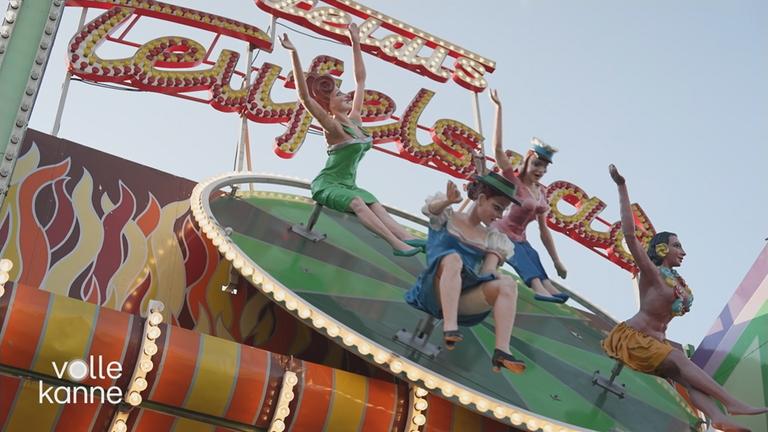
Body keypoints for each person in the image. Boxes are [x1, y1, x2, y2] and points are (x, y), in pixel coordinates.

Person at [604, 164, 767, 432]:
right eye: (677, 245)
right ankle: (732, 403)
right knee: (681, 361)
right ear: (662, 248)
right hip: (634, 341)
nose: (683, 251)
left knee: (689, 379)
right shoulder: (651, 273)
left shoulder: (677, 282)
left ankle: (717, 417)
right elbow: (630, 236)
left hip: (656, 345)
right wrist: (622, 187)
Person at [279, 25, 422, 256]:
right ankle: (397, 245)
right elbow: (304, 97)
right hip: (327, 185)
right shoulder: (333, 127)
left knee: (373, 202)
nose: (346, 95)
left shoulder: (355, 121)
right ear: (329, 105)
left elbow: (360, 80)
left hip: (349, 185)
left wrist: (355, 42)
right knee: (357, 202)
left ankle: (407, 238)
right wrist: (293, 53)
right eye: (338, 95)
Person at [405, 173, 526, 373]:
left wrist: (499, 277)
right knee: (453, 259)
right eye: (497, 208)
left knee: (508, 284)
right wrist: (447, 201)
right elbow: (430, 210)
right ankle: (450, 327)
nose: (499, 216)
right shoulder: (448, 217)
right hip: (431, 290)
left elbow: (487, 271)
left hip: (464, 298)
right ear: (481, 199)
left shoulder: (492, 238)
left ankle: (502, 351)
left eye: (503, 211)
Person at [488, 90, 569, 303]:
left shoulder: (541, 193)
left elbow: (544, 231)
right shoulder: (515, 182)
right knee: (519, 254)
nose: (540, 171)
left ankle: (547, 286)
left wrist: (557, 261)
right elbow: (497, 150)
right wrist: (498, 109)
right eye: (536, 164)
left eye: (544, 167)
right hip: (499, 233)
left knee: (532, 254)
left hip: (520, 237)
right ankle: (538, 288)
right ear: (528, 161)